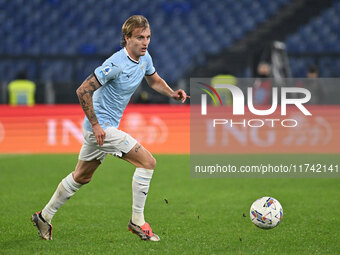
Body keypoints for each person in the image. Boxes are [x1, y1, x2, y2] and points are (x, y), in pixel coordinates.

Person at [31, 15, 189, 242]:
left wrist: (172, 93)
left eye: (148, 37)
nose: (145, 42)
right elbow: (83, 90)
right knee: (148, 162)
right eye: (139, 38)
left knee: (82, 176)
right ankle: (137, 221)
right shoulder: (115, 64)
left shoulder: (145, 58)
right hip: (100, 128)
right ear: (126, 38)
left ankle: (44, 216)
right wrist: (95, 125)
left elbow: (153, 80)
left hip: (105, 129)